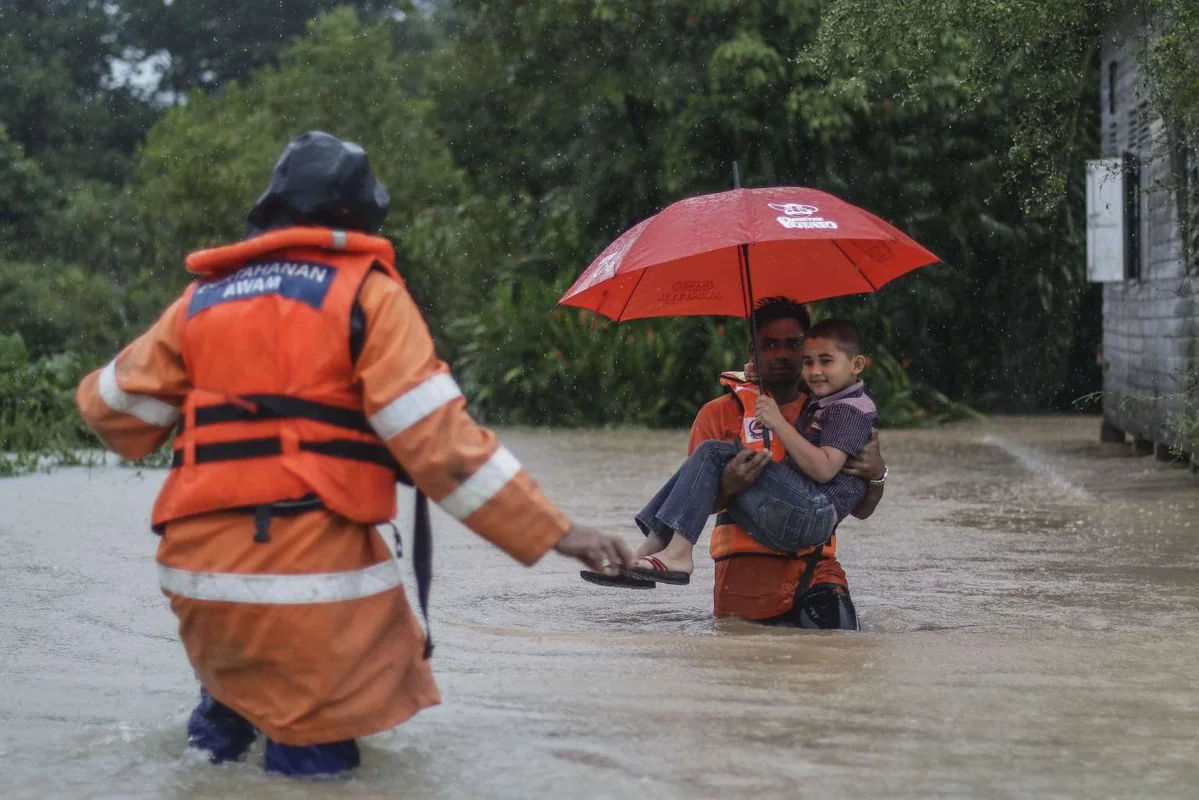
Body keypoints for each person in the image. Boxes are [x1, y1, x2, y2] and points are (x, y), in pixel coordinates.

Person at [74, 131, 632, 777]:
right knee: (314, 764)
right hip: (308, 582)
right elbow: (440, 449)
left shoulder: (201, 299)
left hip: (198, 579)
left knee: (219, 744)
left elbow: (110, 412)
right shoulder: (367, 296)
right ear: (362, 216)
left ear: (272, 212)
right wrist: (557, 532)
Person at [585, 298, 886, 629]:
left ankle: (666, 553)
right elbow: (696, 501)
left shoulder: (830, 407)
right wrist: (728, 486)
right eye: (769, 345)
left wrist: (877, 475)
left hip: (816, 569)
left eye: (794, 345)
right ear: (752, 352)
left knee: (838, 658)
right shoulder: (719, 414)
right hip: (743, 581)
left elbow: (862, 509)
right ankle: (646, 555)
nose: (783, 355)